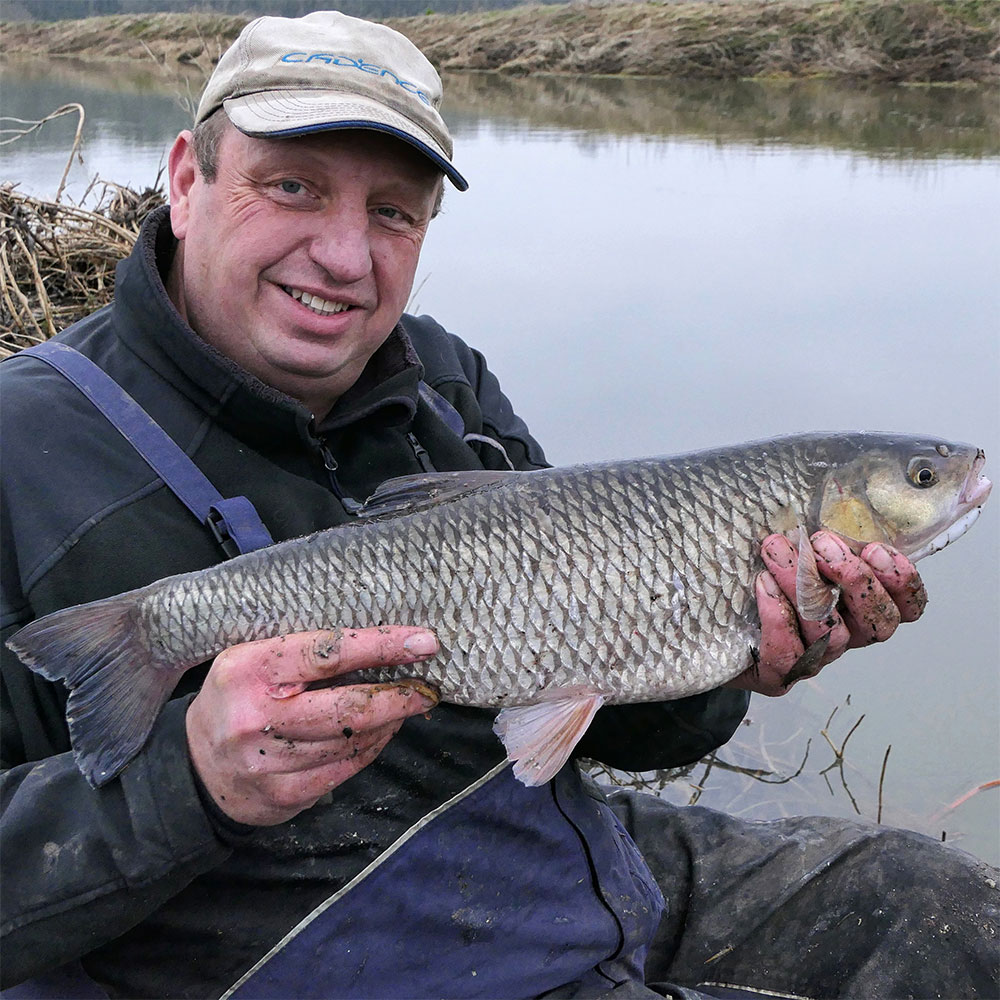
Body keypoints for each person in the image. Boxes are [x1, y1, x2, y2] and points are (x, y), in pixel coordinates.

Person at [1, 11, 995, 1000]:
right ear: (185, 180)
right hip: (287, 955)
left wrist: (736, 656)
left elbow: (597, 717)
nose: (345, 258)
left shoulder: (440, 379)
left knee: (943, 909)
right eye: (292, 187)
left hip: (558, 869)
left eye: (393, 213)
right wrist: (191, 781)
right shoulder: (24, 448)